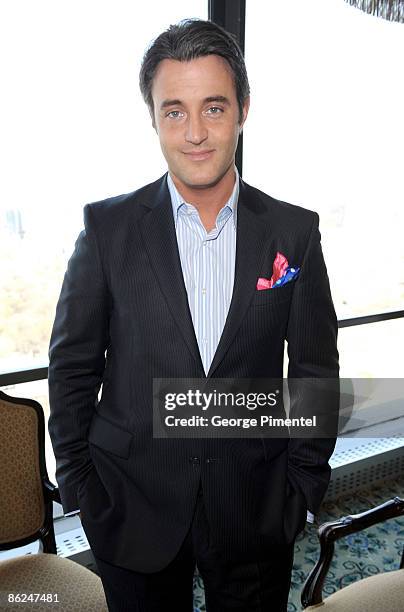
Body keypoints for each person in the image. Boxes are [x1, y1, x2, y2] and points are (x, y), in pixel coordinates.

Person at [48, 18, 339, 612]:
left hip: (256, 503)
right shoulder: (107, 229)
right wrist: (80, 483)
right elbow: (73, 366)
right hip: (132, 501)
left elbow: (313, 368)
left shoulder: (294, 233)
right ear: (152, 118)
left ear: (243, 111)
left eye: (213, 107)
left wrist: (304, 486)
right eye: (174, 111)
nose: (196, 132)